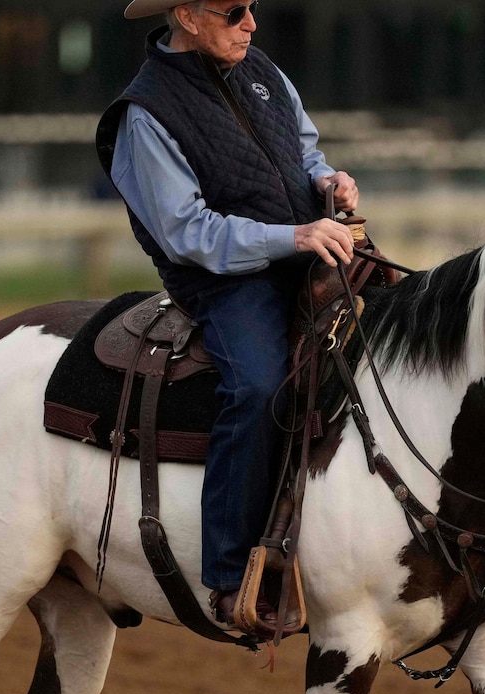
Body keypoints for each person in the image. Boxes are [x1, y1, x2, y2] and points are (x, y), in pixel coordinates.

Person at [95, 0, 360, 633]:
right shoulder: (144, 113)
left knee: (410, 331)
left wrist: (330, 183)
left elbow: (305, 153)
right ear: (186, 15)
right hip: (220, 281)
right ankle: (230, 573)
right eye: (235, 10)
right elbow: (189, 232)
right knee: (259, 384)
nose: (251, 23)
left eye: (253, 8)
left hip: (305, 244)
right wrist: (293, 237)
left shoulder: (262, 69)